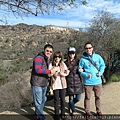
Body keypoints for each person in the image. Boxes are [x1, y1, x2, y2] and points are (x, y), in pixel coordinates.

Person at [78, 42, 105, 120]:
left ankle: (99, 111)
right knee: (87, 98)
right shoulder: (82, 59)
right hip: (88, 82)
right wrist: (86, 74)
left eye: (90, 48)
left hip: (97, 81)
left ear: (92, 48)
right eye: (86, 48)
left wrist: (101, 72)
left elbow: (103, 65)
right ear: (84, 49)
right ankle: (87, 112)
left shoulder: (97, 57)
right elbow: (80, 70)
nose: (88, 49)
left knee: (98, 97)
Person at [30, 44, 56, 120]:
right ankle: (41, 117)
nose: (49, 52)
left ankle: (37, 114)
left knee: (43, 99)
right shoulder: (39, 58)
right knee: (38, 101)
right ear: (44, 50)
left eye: (50, 52)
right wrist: (50, 71)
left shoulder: (47, 59)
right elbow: (38, 70)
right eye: (47, 51)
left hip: (44, 83)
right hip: (37, 83)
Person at [49, 51, 70, 120]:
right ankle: (57, 114)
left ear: (61, 58)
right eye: (56, 57)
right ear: (54, 58)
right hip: (55, 85)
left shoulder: (63, 64)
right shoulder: (51, 65)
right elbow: (49, 74)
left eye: (59, 57)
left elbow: (66, 73)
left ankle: (63, 113)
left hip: (62, 85)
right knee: (56, 100)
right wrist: (54, 72)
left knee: (63, 100)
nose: (57, 58)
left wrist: (62, 74)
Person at [65, 47, 83, 115]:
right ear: (68, 54)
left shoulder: (79, 61)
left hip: (77, 82)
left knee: (78, 98)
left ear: (75, 53)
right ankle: (73, 110)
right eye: (70, 53)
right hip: (69, 83)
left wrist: (83, 70)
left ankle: (71, 105)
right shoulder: (66, 63)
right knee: (71, 99)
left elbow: (83, 69)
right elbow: (63, 72)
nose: (71, 54)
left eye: (73, 53)